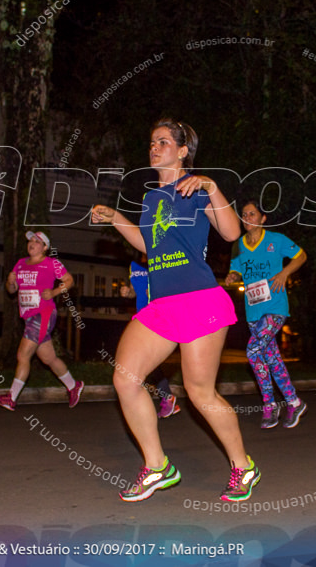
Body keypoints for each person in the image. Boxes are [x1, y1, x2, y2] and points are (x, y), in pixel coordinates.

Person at [90, 119, 258, 503]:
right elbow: (151, 248)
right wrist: (117, 218)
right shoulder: (152, 198)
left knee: (200, 393)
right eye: (152, 141)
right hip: (162, 303)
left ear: (183, 151)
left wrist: (212, 187)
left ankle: (243, 466)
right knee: (126, 379)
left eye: (163, 141)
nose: (154, 147)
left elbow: (231, 233)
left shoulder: (197, 189)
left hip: (199, 299)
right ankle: (157, 466)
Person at [225, 199, 308, 428]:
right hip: (253, 311)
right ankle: (294, 402)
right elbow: (236, 267)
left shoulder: (276, 240)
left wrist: (285, 274)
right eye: (243, 214)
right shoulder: (239, 244)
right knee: (271, 358)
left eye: (252, 214)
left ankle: (269, 405)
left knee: (252, 351)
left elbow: (301, 256)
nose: (247, 218)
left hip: (275, 309)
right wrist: (232, 276)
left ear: (263, 218)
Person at [0, 231, 83, 411]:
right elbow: (12, 291)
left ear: (45, 247)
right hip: (28, 316)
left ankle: (11, 398)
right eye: (30, 241)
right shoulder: (20, 264)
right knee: (49, 358)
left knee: (23, 355)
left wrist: (54, 292)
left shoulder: (51, 263)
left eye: (36, 241)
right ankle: (74, 386)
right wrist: (10, 282)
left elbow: (69, 280)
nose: (31, 244)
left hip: (44, 313)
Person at [120, 258, 180, 418]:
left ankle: (145, 407)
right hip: (141, 318)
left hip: (158, 316)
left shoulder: (162, 259)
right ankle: (166, 397)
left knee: (139, 364)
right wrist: (128, 292)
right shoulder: (133, 264)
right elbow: (135, 290)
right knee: (146, 362)